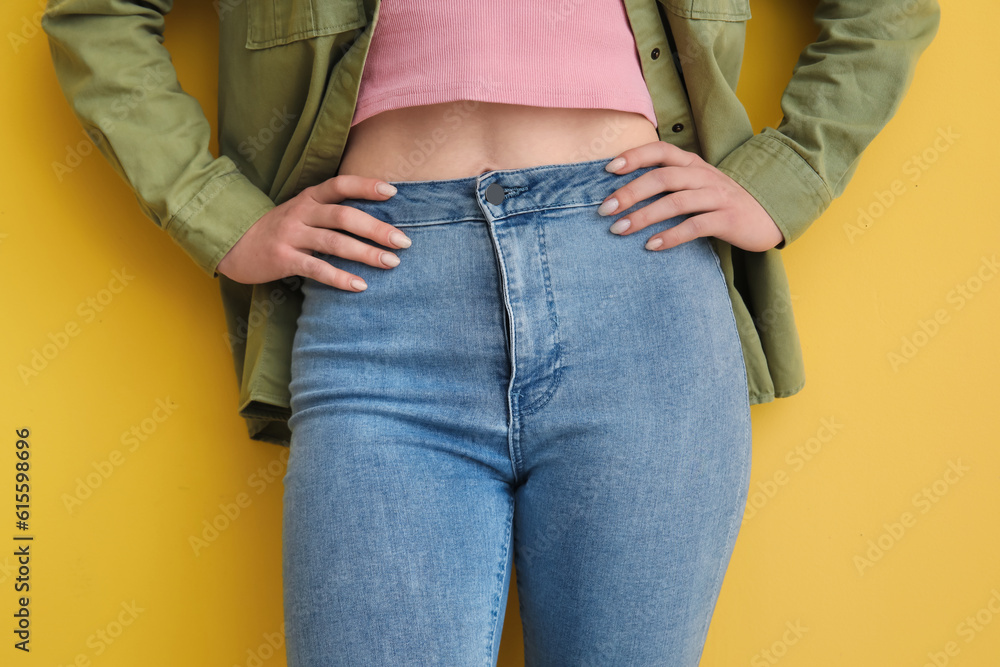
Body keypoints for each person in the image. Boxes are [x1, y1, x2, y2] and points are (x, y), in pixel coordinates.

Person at [42, 0, 940, 664]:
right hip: (382, 288)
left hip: (639, 279)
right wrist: (216, 214)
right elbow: (98, 15)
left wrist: (780, 177)